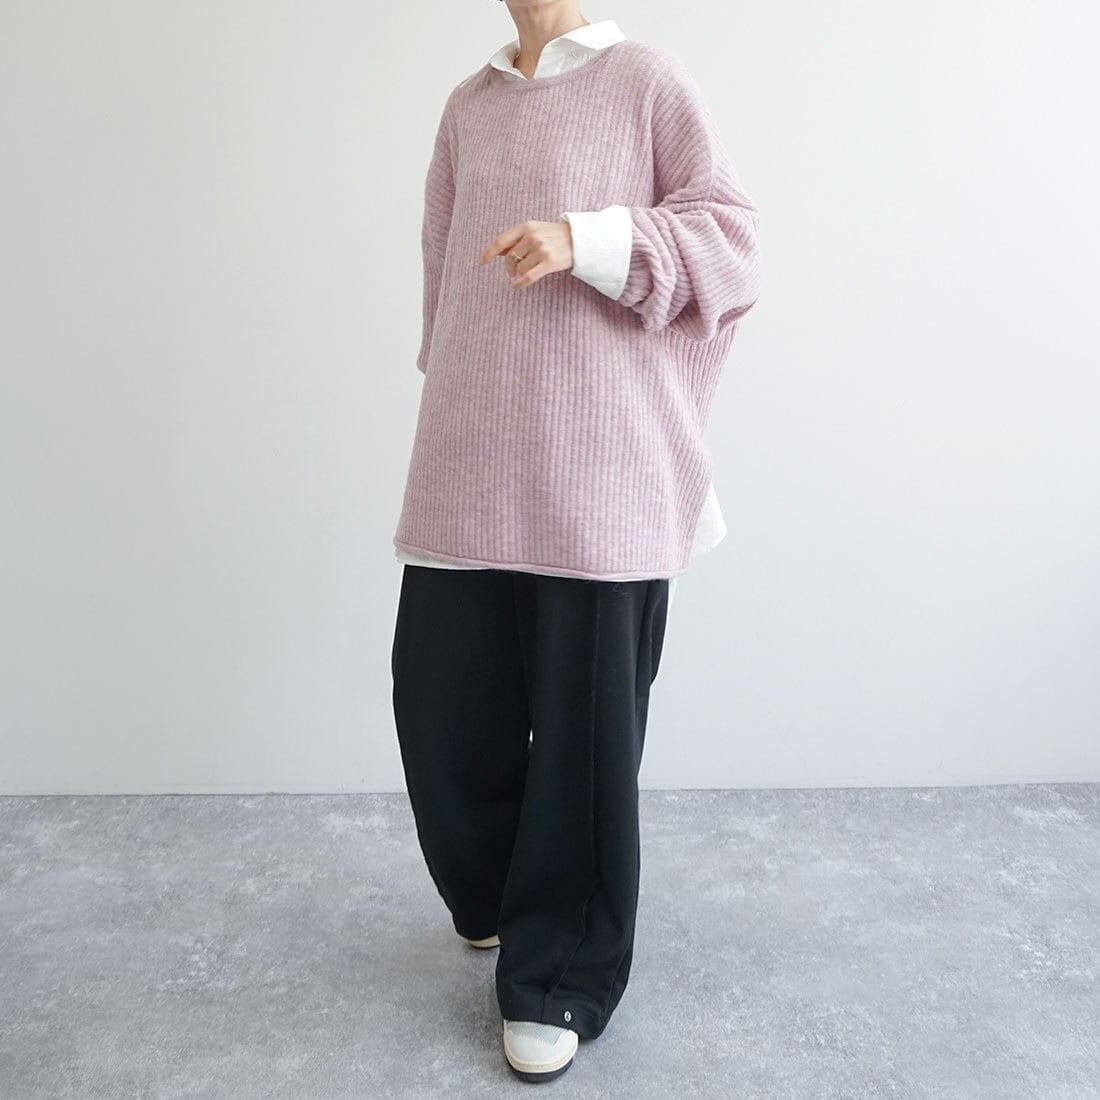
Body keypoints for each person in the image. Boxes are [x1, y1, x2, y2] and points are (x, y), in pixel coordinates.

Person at [390, 0, 762, 1083]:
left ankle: (559, 971)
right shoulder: (468, 107)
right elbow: (444, 291)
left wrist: (587, 238)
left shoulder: (645, 82)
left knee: (582, 744)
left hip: (603, 470)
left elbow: (733, 247)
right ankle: (497, 893)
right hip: (472, 457)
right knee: (438, 706)